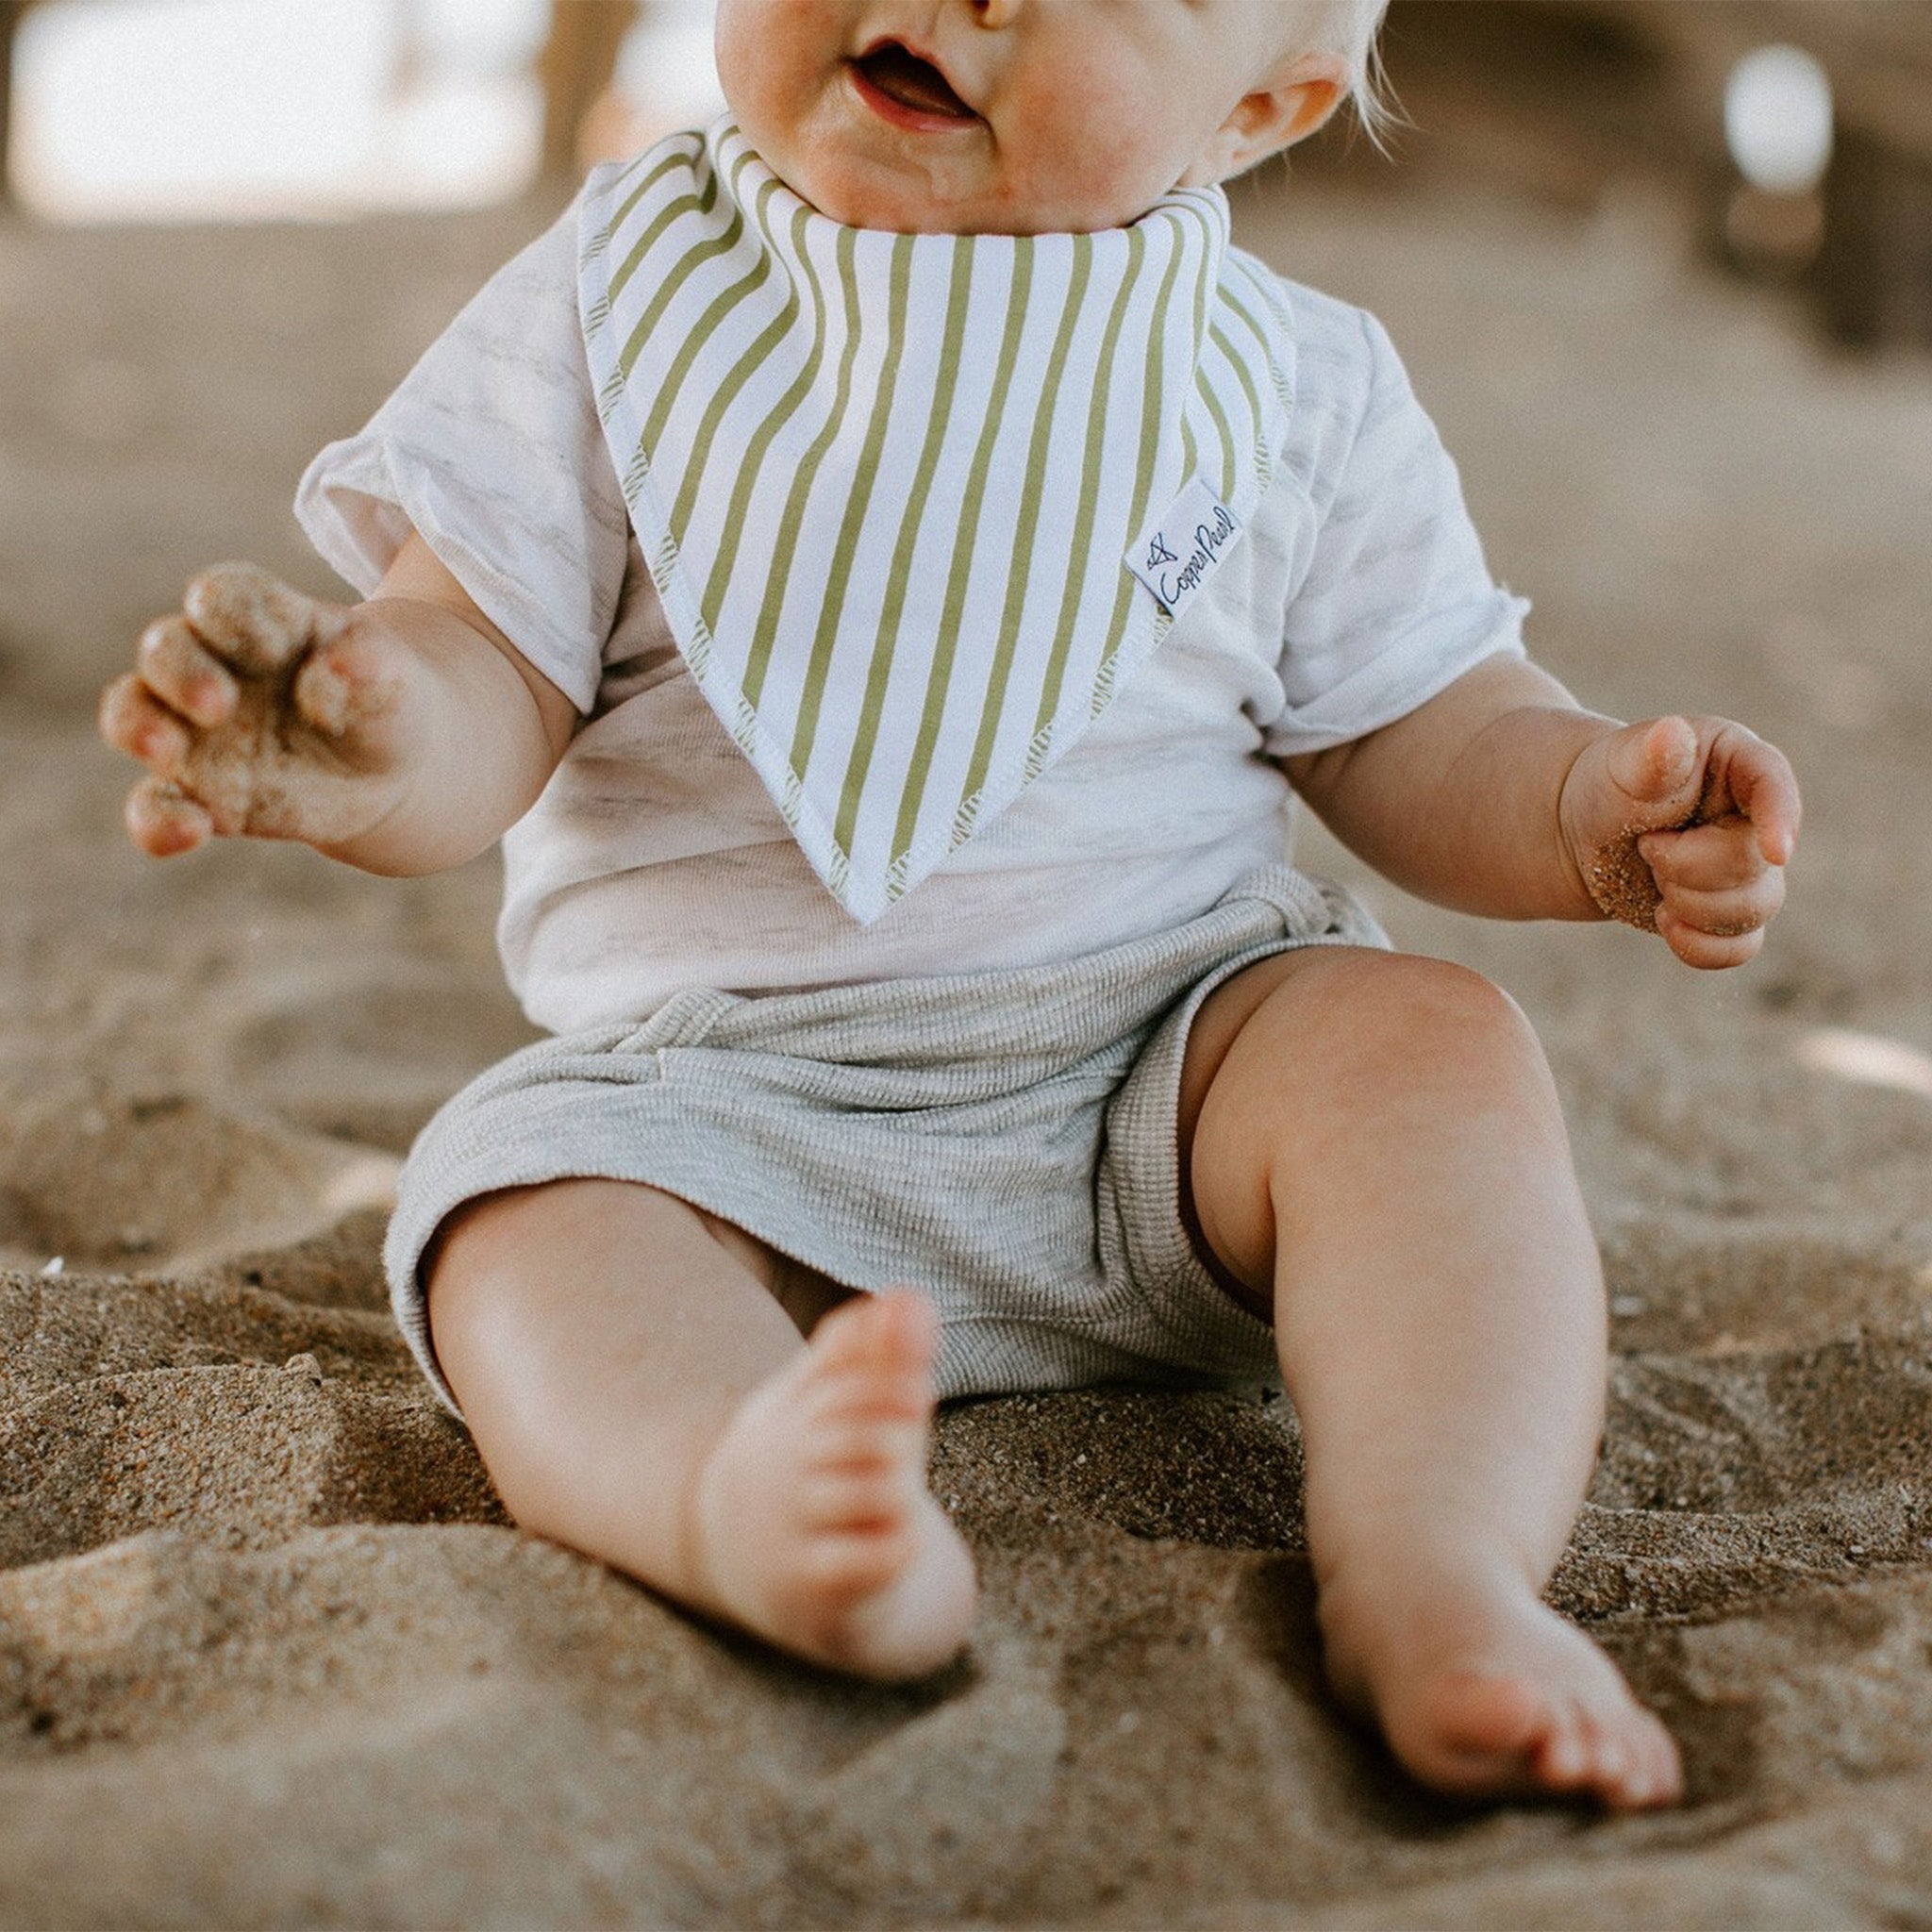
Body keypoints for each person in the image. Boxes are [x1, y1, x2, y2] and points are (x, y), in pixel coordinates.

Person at [100, 0, 1800, 1811]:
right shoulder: (623, 299)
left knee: (1428, 1046)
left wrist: (1573, 808)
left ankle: (1441, 1567)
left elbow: (1420, 728)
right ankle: (731, 1490)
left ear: (1260, 109)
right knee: (518, 1222)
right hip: (714, 1106)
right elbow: (479, 662)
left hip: (1174, 1070)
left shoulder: (1282, 383)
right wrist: (373, 743)